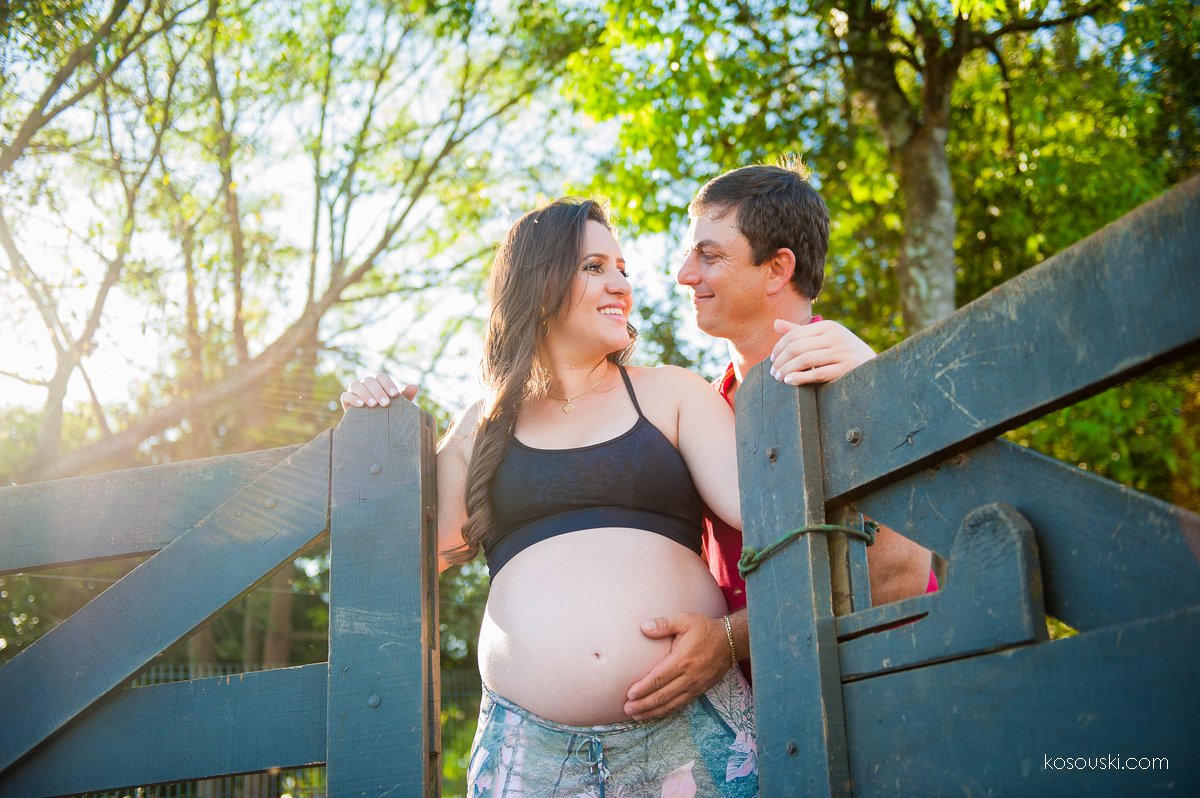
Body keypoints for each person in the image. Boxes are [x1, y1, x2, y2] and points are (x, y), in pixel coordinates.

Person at [343, 198, 771, 795]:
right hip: (529, 753)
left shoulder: (673, 394)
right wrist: (375, 432)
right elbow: (404, 559)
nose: (621, 284)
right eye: (594, 267)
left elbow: (768, 514)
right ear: (537, 283)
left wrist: (732, 636)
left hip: (689, 726)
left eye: (622, 269)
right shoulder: (480, 428)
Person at [621, 162, 936, 722]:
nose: (684, 274)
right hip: (764, 723)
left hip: (893, 702)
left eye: (709, 255)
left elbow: (897, 575)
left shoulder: (856, 381)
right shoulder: (703, 409)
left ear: (777, 269)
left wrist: (730, 638)